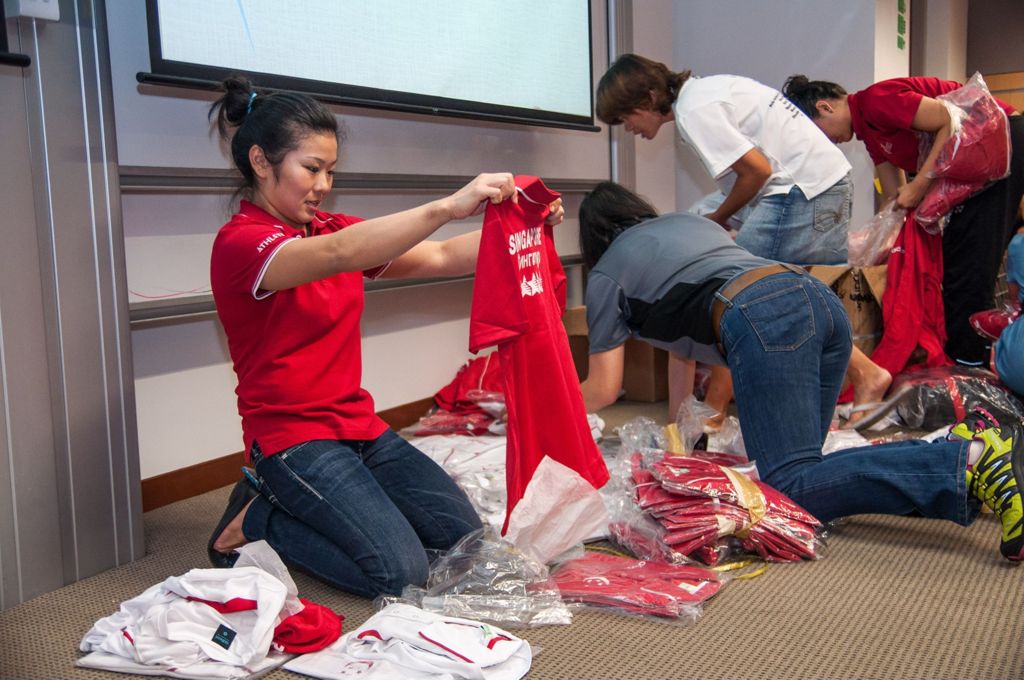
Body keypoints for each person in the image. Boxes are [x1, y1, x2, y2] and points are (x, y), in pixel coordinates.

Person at [204, 76, 564, 598]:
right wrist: (445, 207)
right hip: (291, 440)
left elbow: (441, 256)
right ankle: (258, 518)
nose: (323, 185)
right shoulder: (242, 245)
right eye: (311, 168)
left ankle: (306, 507)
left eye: (330, 171)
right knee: (401, 573)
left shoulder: (330, 229)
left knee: (462, 544)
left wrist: (527, 226)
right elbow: (340, 256)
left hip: (356, 425)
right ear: (261, 161)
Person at [577, 181, 1024, 563]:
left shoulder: (607, 274)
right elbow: (684, 351)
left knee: (789, 486)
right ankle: (950, 456)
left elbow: (604, 387)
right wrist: (682, 440)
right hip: (817, 300)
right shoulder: (689, 225)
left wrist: (534, 413)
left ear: (592, 239)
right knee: (810, 471)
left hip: (768, 318)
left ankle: (964, 459)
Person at [595, 53, 891, 425]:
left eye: (625, 118)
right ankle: (854, 381)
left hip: (803, 191)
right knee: (790, 302)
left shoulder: (693, 110)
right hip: (819, 186)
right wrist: (703, 219)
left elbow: (757, 171)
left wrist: (715, 221)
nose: (628, 128)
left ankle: (714, 415)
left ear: (648, 99)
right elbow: (747, 179)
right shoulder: (704, 92)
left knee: (732, 295)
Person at [782, 74, 1024, 367]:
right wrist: (883, 239)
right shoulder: (867, 131)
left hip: (1002, 136)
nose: (826, 141)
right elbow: (894, 195)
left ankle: (968, 361)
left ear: (825, 107)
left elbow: (949, 119)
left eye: (816, 132)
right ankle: (966, 352)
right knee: (955, 258)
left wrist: (919, 185)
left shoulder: (875, 101)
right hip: (979, 156)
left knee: (970, 257)